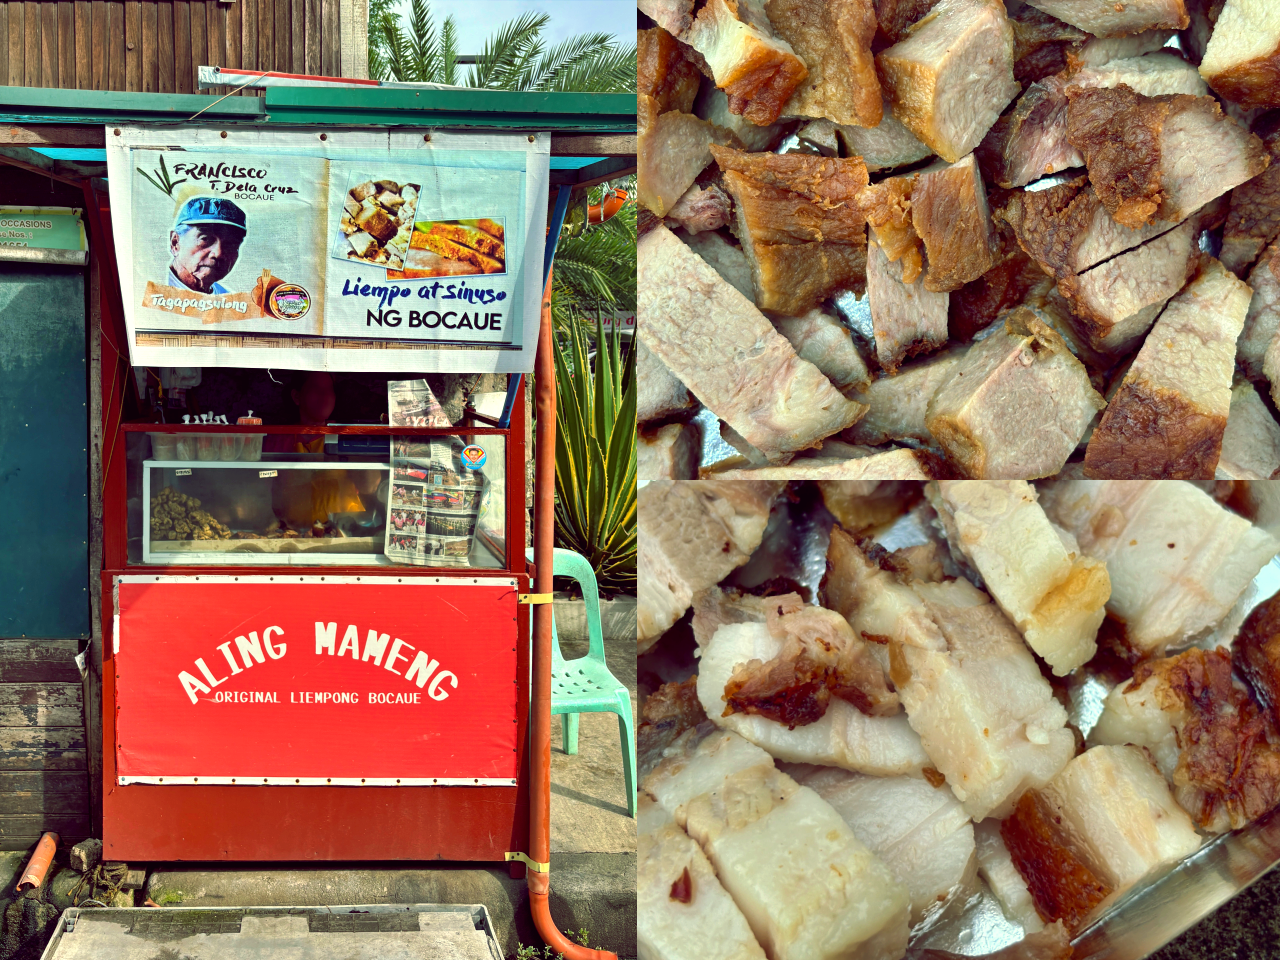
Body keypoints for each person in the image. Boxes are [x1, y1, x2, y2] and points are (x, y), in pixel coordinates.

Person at [166, 197, 247, 294]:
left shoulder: (230, 301)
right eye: (205, 239)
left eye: (231, 244)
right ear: (175, 243)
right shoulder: (151, 286)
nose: (218, 253)